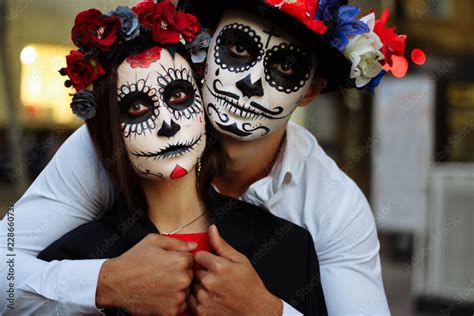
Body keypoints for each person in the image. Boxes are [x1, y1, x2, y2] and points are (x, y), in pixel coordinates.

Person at [1, 0, 408, 314]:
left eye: (285, 66)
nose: (250, 83)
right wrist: (105, 283)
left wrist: (264, 311)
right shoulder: (108, 148)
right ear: (205, 50)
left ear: (310, 91)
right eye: (237, 46)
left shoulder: (334, 205)